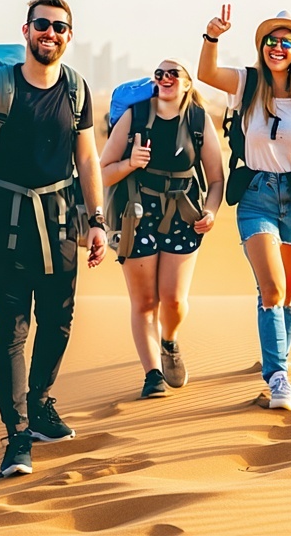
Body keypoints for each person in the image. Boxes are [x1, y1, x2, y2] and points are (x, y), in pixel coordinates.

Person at [0, 0, 108, 478]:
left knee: (59, 322)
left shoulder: (76, 89)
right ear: (26, 31)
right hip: (7, 224)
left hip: (62, 221)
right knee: (12, 331)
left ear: (69, 35)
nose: (51, 33)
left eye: (60, 27)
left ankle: (40, 404)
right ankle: (18, 435)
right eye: (42, 25)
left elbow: (87, 160)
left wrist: (98, 220)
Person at [198, 6, 291, 411]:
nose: (276, 48)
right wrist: (212, 36)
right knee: (273, 288)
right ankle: (278, 375)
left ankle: (275, 358)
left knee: (290, 293)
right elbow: (207, 74)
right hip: (257, 197)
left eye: (285, 42)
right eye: (270, 41)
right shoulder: (247, 84)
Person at [99, 59, 226, 399]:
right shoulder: (135, 116)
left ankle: (169, 341)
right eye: (159, 74)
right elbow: (102, 172)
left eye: (174, 74)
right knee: (144, 302)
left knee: (173, 300)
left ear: (187, 83)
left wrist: (211, 212)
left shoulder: (199, 120)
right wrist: (130, 163)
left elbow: (216, 178)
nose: (166, 79)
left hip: (183, 218)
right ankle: (152, 373)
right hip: (136, 215)